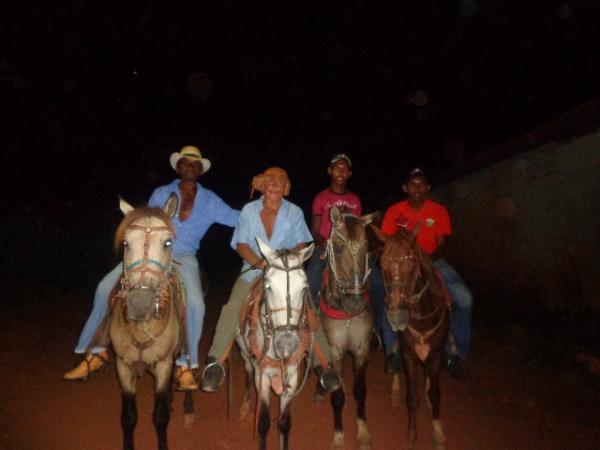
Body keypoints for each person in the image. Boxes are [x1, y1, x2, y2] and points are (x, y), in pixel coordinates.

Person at [63, 146, 240, 390]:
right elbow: (146, 220)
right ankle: (95, 351)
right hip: (151, 254)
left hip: (184, 256)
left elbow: (237, 218)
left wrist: (265, 205)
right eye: (185, 162)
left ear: (200, 170)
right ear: (178, 167)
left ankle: (184, 365)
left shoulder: (210, 200)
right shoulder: (161, 192)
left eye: (195, 164)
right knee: (105, 288)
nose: (190, 166)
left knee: (196, 302)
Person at [200, 166, 341, 393]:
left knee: (309, 309)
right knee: (232, 306)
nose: (275, 183)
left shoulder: (294, 212)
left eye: (280, 181)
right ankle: (215, 363)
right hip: (254, 270)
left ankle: (324, 366)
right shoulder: (248, 210)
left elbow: (303, 243)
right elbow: (241, 244)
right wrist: (259, 262)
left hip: (286, 271)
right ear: (262, 186)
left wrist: (284, 261)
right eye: (270, 180)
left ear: (286, 189)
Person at [304, 153, 398, 372]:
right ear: (329, 171)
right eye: (337, 167)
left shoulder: (355, 200)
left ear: (349, 173)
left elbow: (355, 229)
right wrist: (326, 245)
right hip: (326, 247)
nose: (341, 172)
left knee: (375, 281)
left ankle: (373, 329)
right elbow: (315, 230)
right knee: (311, 281)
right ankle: (311, 334)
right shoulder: (321, 198)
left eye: (345, 169)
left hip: (350, 250)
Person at [380, 167, 473, 378]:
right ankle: (392, 352)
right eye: (413, 183)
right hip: (403, 264)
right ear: (405, 188)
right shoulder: (394, 211)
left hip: (433, 262)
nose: (417, 188)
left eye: (422, 183)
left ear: (428, 188)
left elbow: (442, 243)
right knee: (391, 299)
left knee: (464, 299)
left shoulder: (438, 211)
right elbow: (388, 242)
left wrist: (427, 262)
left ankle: (455, 354)